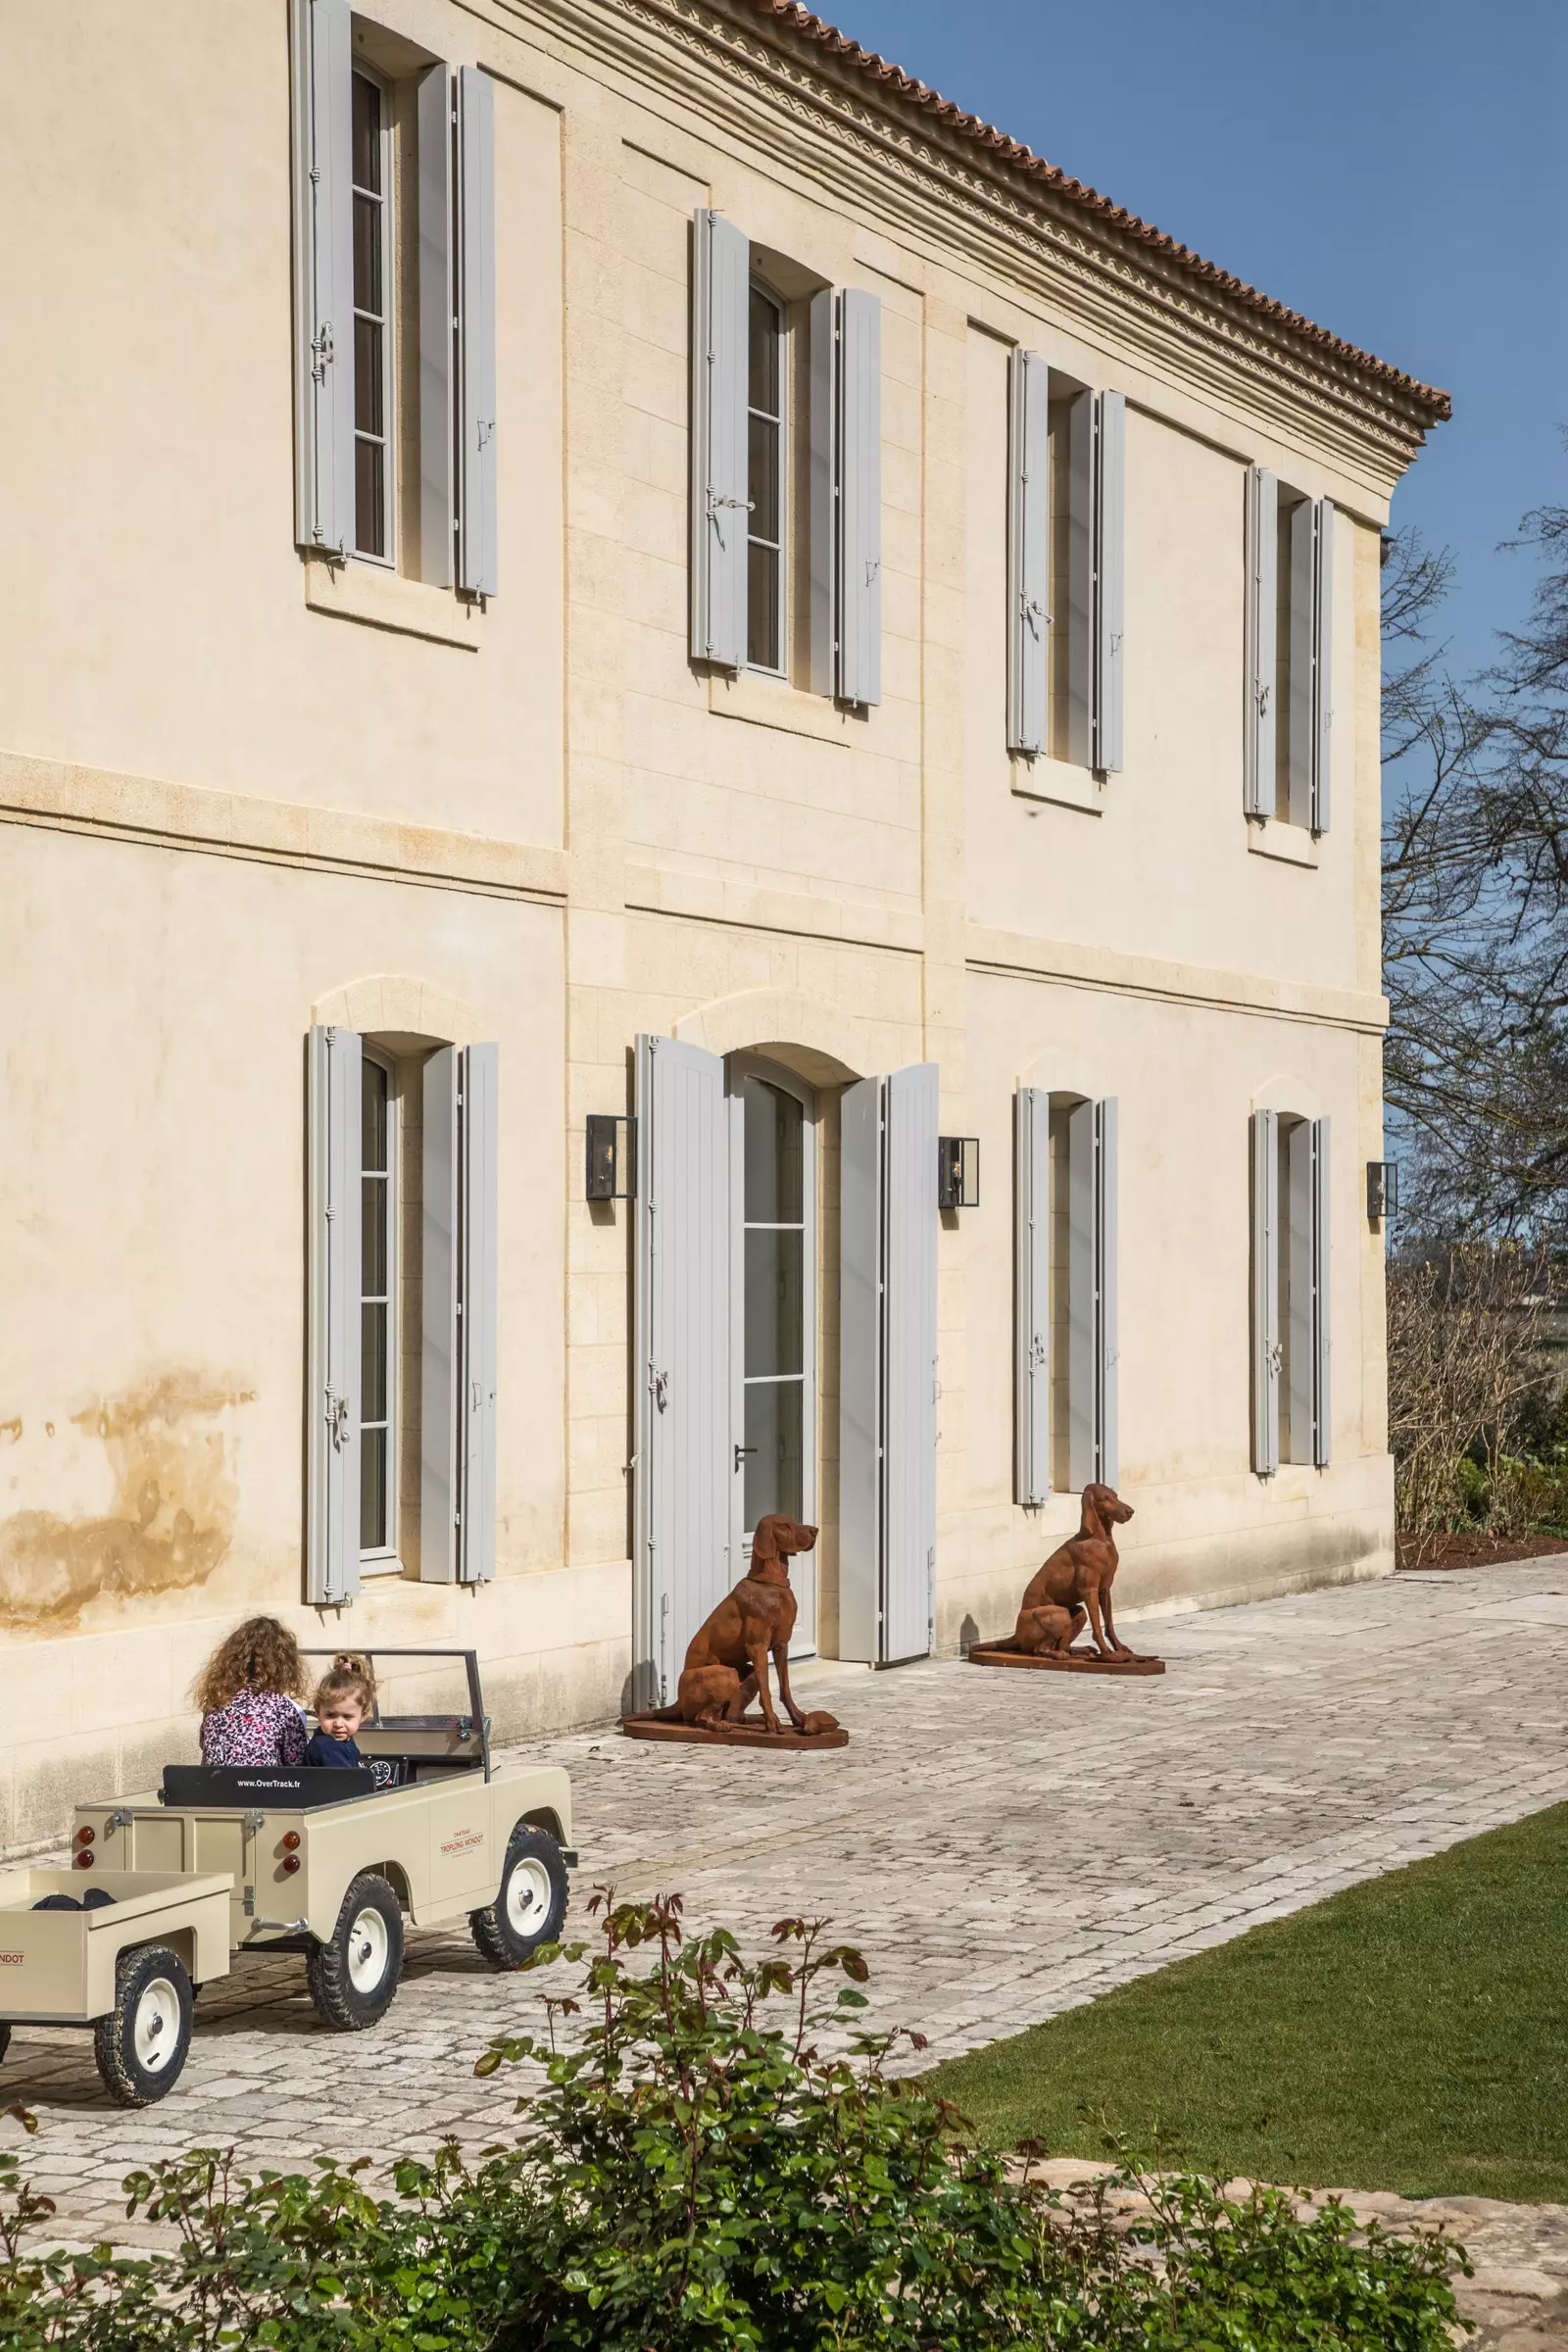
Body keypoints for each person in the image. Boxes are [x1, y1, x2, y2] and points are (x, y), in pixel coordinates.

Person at [194, 1616, 309, 1767]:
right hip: (263, 1787)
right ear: (284, 1666)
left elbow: (205, 1745)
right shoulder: (283, 1709)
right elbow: (296, 1762)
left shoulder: (217, 1701)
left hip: (215, 1786)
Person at [304, 1653, 376, 1768]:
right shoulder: (330, 1749)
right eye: (330, 1715)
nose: (338, 1724)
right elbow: (346, 1783)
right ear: (318, 1712)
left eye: (347, 1717)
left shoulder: (337, 1743)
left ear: (363, 1714)